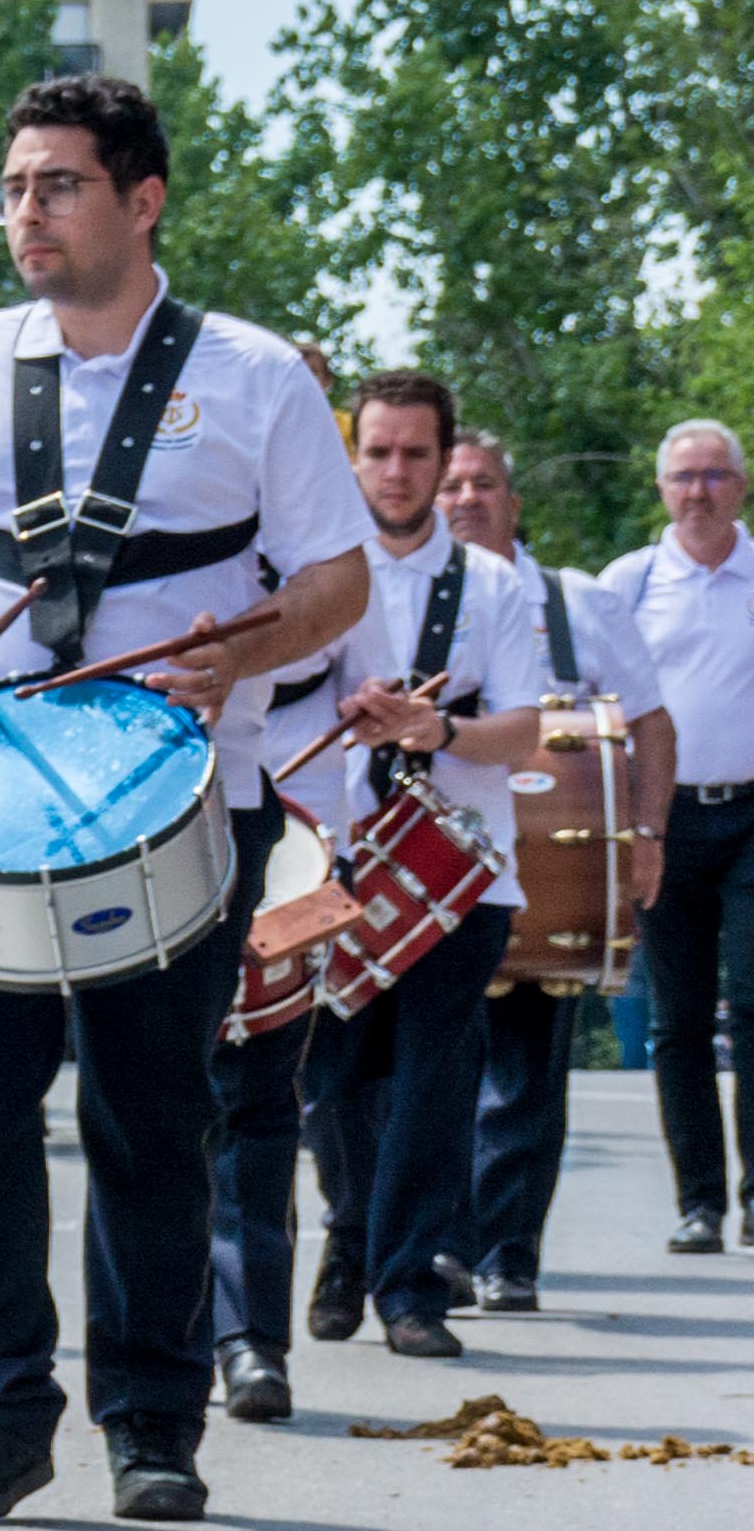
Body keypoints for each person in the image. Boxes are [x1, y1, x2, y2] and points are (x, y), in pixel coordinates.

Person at [0, 73, 370, 1531]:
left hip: (180, 791)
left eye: (60, 184)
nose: (28, 210)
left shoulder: (260, 375)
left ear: (143, 201)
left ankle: (155, 1422)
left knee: (154, 1116)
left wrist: (245, 652)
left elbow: (337, 579)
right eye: (14, 186)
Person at [282, 372, 545, 1360]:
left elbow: (526, 731)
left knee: (437, 1078)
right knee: (333, 1075)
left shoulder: (493, 584)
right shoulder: (318, 572)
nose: (396, 472)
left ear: (443, 463)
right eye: (379, 452)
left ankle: (410, 1284)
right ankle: (351, 1237)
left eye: (416, 455)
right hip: (336, 861)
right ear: (353, 456)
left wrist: (438, 726)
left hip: (456, 873)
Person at [440, 434, 661, 1311]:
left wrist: (644, 833)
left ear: (514, 500)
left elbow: (648, 717)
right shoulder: (401, 589)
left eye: (484, 483)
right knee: (433, 1068)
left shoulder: (579, 601)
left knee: (529, 1072)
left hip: (552, 883)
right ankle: (435, 1247)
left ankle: (508, 1254)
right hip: (436, 870)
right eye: (452, 484)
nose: (466, 498)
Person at [599, 419, 754, 1257]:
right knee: (679, 1017)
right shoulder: (627, 583)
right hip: (664, 819)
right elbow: (582, 701)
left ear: (740, 485)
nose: (699, 491)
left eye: (715, 475)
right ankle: (701, 1202)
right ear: (661, 488)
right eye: (683, 476)